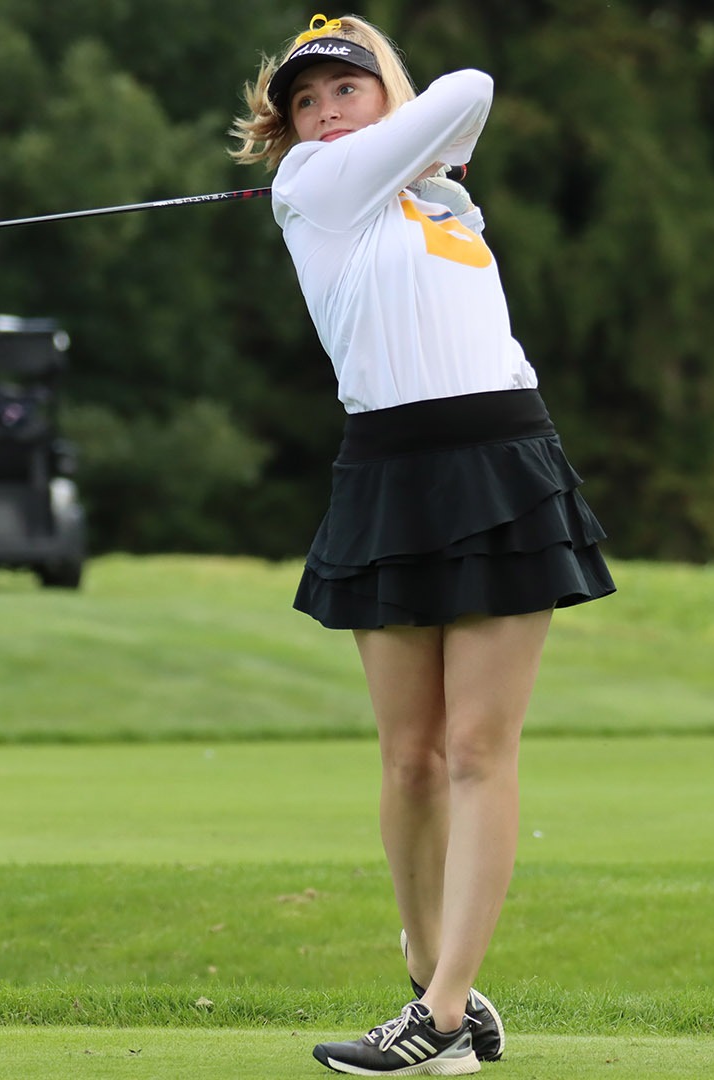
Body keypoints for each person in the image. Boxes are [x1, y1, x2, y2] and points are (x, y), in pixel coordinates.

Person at [230, 14, 615, 1075]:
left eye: (344, 90)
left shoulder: (437, 204)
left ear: (379, 96)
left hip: (501, 455)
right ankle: (425, 965)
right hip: (390, 469)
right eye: (305, 102)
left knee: (479, 749)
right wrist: (413, 138)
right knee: (409, 759)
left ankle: (444, 1017)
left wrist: (434, 172)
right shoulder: (316, 180)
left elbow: (470, 95)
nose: (321, 112)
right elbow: (468, 87)